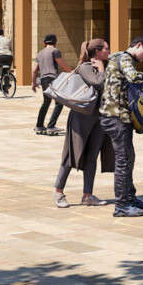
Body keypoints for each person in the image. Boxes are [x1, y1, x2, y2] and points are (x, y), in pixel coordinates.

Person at [99, 36, 143, 217]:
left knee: (128, 158)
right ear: (139, 45)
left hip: (114, 116)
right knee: (123, 161)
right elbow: (133, 77)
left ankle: (129, 198)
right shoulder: (125, 58)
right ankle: (121, 205)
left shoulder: (117, 58)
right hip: (117, 117)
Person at [53, 38, 113, 209]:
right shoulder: (86, 67)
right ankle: (58, 191)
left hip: (98, 116)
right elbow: (99, 83)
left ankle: (87, 195)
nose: (109, 51)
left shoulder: (98, 67)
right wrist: (101, 69)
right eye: (106, 49)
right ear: (97, 51)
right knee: (72, 154)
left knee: (92, 156)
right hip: (82, 116)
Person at [35, 34, 74, 135]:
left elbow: (34, 70)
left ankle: (39, 125)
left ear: (44, 43)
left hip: (43, 79)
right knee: (59, 102)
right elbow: (62, 64)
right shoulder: (55, 51)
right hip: (53, 79)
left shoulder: (40, 53)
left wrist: (33, 83)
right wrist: (72, 72)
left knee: (46, 102)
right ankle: (51, 126)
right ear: (55, 42)